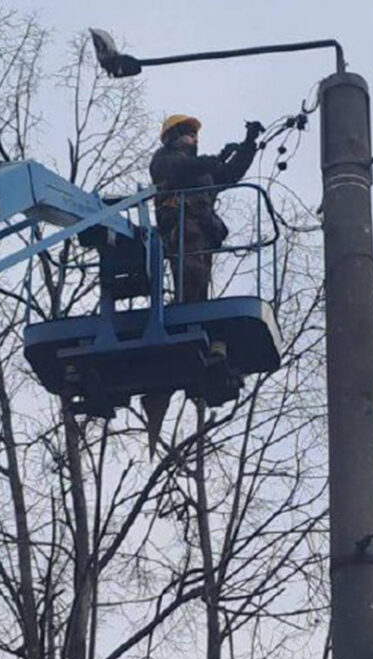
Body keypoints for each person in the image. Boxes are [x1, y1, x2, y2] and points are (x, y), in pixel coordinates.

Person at [140, 114, 264, 454]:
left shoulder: (200, 170)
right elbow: (183, 171)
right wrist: (216, 158)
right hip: (182, 228)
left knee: (198, 284)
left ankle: (193, 327)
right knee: (191, 277)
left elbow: (227, 176)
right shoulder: (165, 162)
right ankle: (186, 322)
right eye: (189, 134)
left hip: (202, 231)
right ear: (174, 137)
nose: (195, 139)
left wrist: (248, 146)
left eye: (195, 135)